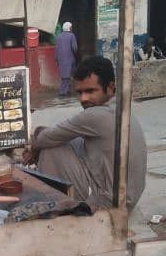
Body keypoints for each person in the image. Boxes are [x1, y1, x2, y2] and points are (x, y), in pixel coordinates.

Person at [22, 55, 147, 211]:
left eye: (90, 91)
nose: (84, 98)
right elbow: (58, 134)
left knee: (50, 148)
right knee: (54, 138)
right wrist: (40, 136)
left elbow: (47, 138)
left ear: (110, 87)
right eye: (80, 92)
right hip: (127, 199)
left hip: (111, 204)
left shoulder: (97, 115)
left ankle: (57, 208)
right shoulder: (119, 109)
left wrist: (35, 147)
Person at [55, 21, 78, 97]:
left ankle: (67, 90)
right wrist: (76, 55)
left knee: (64, 76)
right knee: (67, 76)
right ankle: (63, 91)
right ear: (69, 28)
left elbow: (56, 49)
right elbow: (74, 48)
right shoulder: (72, 36)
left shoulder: (58, 37)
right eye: (71, 27)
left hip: (61, 59)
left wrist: (56, 59)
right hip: (70, 58)